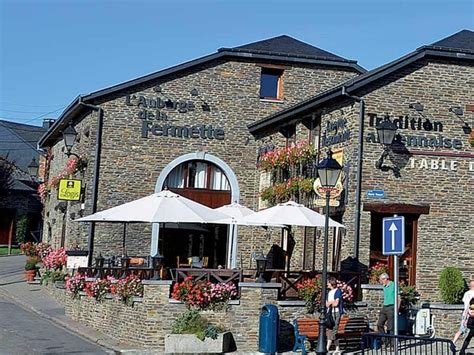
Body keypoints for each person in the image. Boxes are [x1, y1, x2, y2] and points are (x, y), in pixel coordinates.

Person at [377, 273, 400, 339]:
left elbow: (399, 298)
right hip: (385, 307)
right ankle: (385, 340)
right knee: (379, 324)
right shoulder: (384, 286)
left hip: (392, 307)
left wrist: (397, 310)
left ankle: (392, 343)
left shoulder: (394, 285)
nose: (380, 281)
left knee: (390, 327)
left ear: (385, 279)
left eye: (381, 280)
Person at [453, 279, 474, 344]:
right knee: (463, 330)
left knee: (461, 330)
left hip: (466, 314)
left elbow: (466, 304)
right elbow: (468, 305)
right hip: (470, 315)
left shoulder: (466, 293)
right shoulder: (468, 293)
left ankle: (453, 343)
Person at [326, 276, 343, 354]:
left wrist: (331, 303)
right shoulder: (329, 292)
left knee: (334, 330)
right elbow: (327, 304)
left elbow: (336, 303)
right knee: (330, 330)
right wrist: (331, 303)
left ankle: (326, 348)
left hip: (336, 313)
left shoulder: (337, 291)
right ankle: (337, 348)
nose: (327, 284)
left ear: (331, 283)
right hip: (329, 313)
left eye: (328, 282)